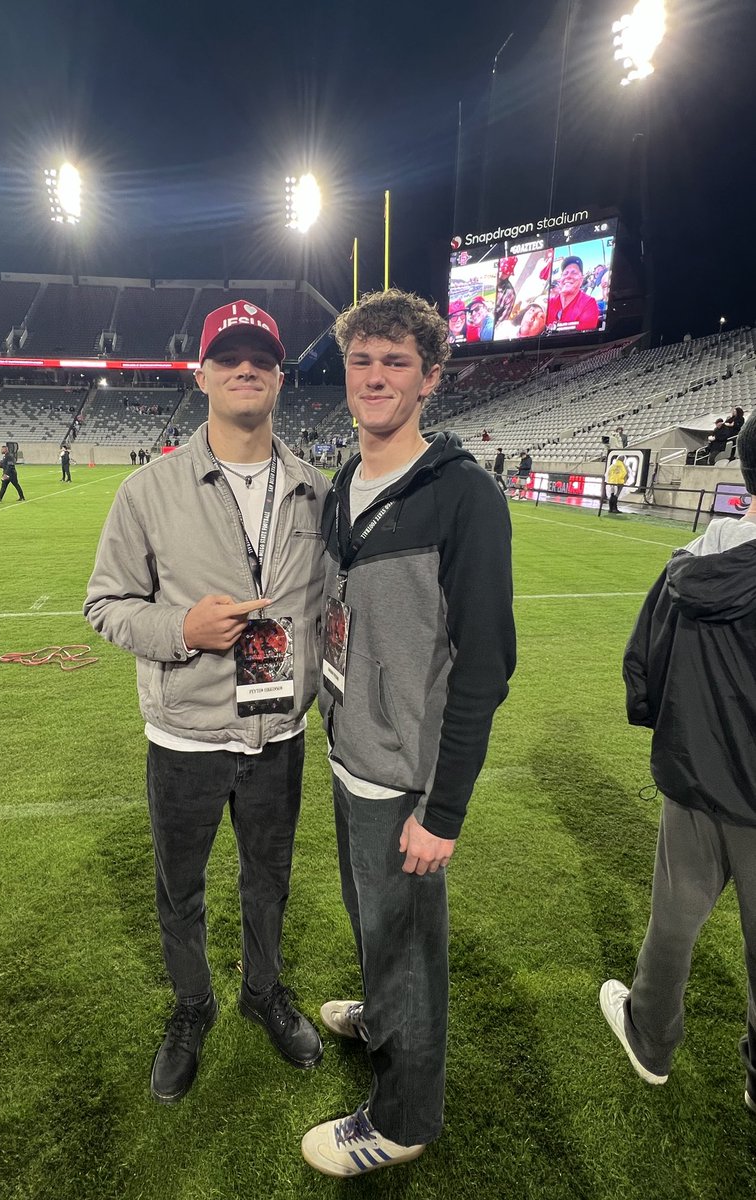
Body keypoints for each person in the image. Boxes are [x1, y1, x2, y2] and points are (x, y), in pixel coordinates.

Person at [85, 300, 328, 1106]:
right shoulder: (148, 491)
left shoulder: (316, 491)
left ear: (281, 375)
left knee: (269, 879)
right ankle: (193, 1007)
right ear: (202, 375)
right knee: (179, 888)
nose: (245, 366)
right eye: (228, 356)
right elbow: (105, 604)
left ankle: (263, 992)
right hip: (185, 736)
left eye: (261, 354)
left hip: (280, 734)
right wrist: (182, 629)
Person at [301, 289, 515, 1177]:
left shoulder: (466, 495)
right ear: (346, 376)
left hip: (407, 781)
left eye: (397, 362)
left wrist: (445, 810)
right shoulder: (345, 482)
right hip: (353, 752)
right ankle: (381, 1014)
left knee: (409, 949)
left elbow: (486, 665)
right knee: (373, 924)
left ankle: (404, 1114)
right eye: (363, 360)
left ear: (431, 378)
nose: (377, 376)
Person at [600, 410, 756, 1113]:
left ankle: (650, 1038)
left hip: (698, 772)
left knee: (674, 919)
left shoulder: (694, 562)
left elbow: (646, 656)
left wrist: (654, 713)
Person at [546, 256, 600, 332]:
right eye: (565, 273)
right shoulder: (549, 303)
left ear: (581, 280)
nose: (568, 276)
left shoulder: (589, 303)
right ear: (560, 280)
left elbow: (583, 338)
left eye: (574, 273)